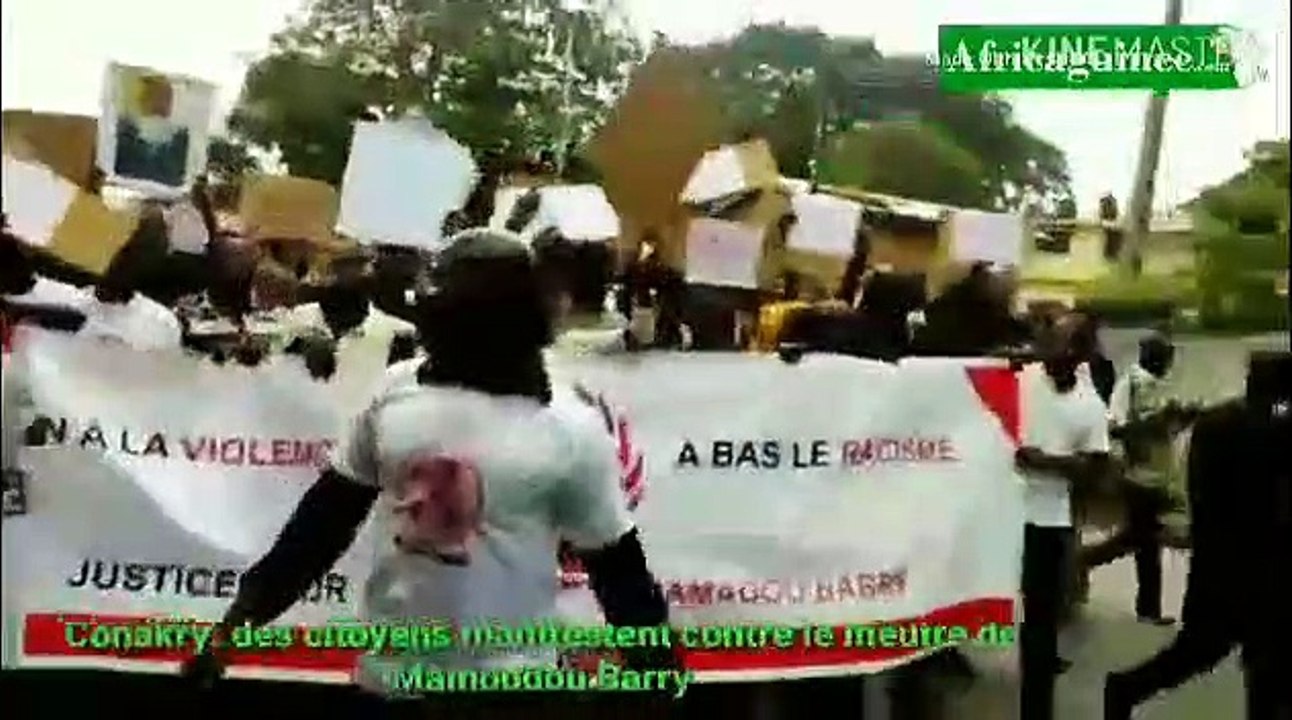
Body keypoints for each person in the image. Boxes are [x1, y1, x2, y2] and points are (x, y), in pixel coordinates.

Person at [181, 228, 678, 719]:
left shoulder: (570, 428)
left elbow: (620, 573)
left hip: (509, 693)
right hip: (388, 682)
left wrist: (657, 670)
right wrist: (236, 625)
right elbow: (322, 524)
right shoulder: (396, 391)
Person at [1105, 351, 1291, 720]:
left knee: (1198, 654)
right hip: (1264, 568)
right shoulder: (1272, 431)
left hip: (1216, 564)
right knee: (1266, 668)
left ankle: (1127, 688)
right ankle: (1125, 688)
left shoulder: (1216, 422)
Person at [1016, 313, 1112, 720]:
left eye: (1073, 345)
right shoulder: (1020, 379)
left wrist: (1045, 462)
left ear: (1084, 354)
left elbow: (1095, 467)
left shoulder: (1089, 406)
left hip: (1048, 523)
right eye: (1056, 340)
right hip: (1001, 514)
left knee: (1040, 623)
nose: (1061, 351)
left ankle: (1036, 709)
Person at [1084, 333, 1188, 625]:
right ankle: (1085, 562)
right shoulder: (1130, 384)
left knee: (1143, 541)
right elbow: (1116, 428)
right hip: (1138, 477)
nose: (1169, 364)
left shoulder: (1156, 386)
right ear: (1151, 356)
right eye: (1166, 357)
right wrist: (1156, 422)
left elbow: (1163, 429)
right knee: (1143, 541)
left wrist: (1180, 419)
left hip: (1157, 475)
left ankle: (1147, 608)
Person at [113, 72, 190, 187]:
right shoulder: (124, 136)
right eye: (161, 96)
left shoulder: (180, 141)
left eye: (166, 97)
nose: (163, 101)